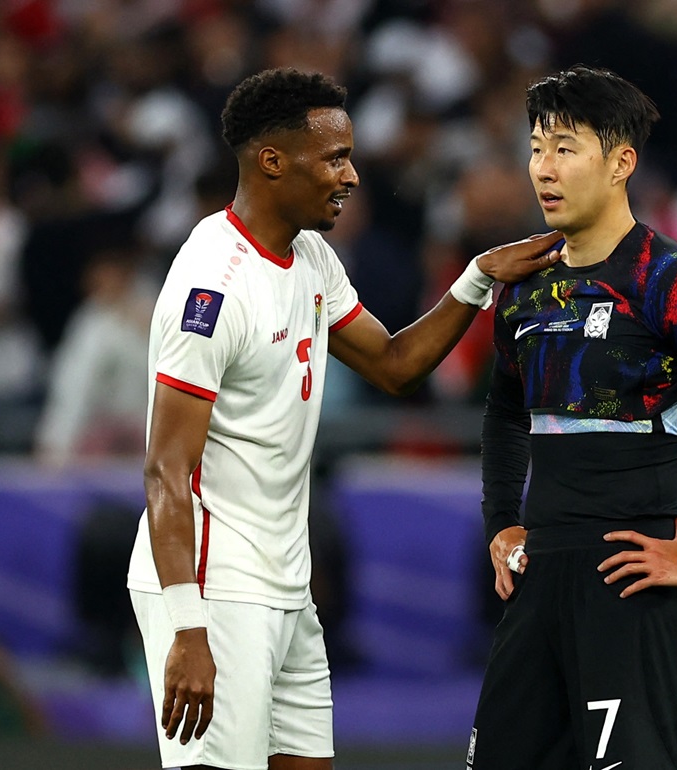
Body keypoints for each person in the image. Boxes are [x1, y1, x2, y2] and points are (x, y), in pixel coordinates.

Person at [125, 67, 560, 770]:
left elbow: (392, 364)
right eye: (334, 157)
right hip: (217, 589)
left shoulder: (311, 257)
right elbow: (166, 468)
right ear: (272, 161)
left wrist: (478, 278)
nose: (352, 176)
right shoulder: (211, 288)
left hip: (287, 584)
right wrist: (188, 628)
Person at [468, 66, 677, 770]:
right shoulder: (525, 287)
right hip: (537, 586)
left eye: (566, 148)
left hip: (630, 591)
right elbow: (502, 416)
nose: (543, 169)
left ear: (621, 164)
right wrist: (502, 525)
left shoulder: (668, 281)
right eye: (536, 148)